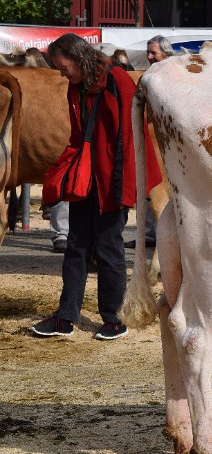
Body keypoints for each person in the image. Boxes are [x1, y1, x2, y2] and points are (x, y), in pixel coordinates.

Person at [31, 33, 162, 340]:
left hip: (113, 179)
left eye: (64, 67)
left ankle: (114, 319)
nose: (62, 74)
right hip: (89, 178)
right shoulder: (75, 86)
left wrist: (122, 187)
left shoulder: (117, 81)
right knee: (76, 246)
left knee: (108, 248)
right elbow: (79, 135)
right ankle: (66, 317)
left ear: (78, 58)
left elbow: (130, 140)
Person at [124, 35, 173, 250]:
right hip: (152, 140)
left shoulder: (174, 75)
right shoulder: (148, 77)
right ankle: (153, 236)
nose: (150, 56)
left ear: (166, 54)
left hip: (169, 143)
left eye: (154, 52)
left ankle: (165, 240)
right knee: (151, 193)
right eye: (148, 52)